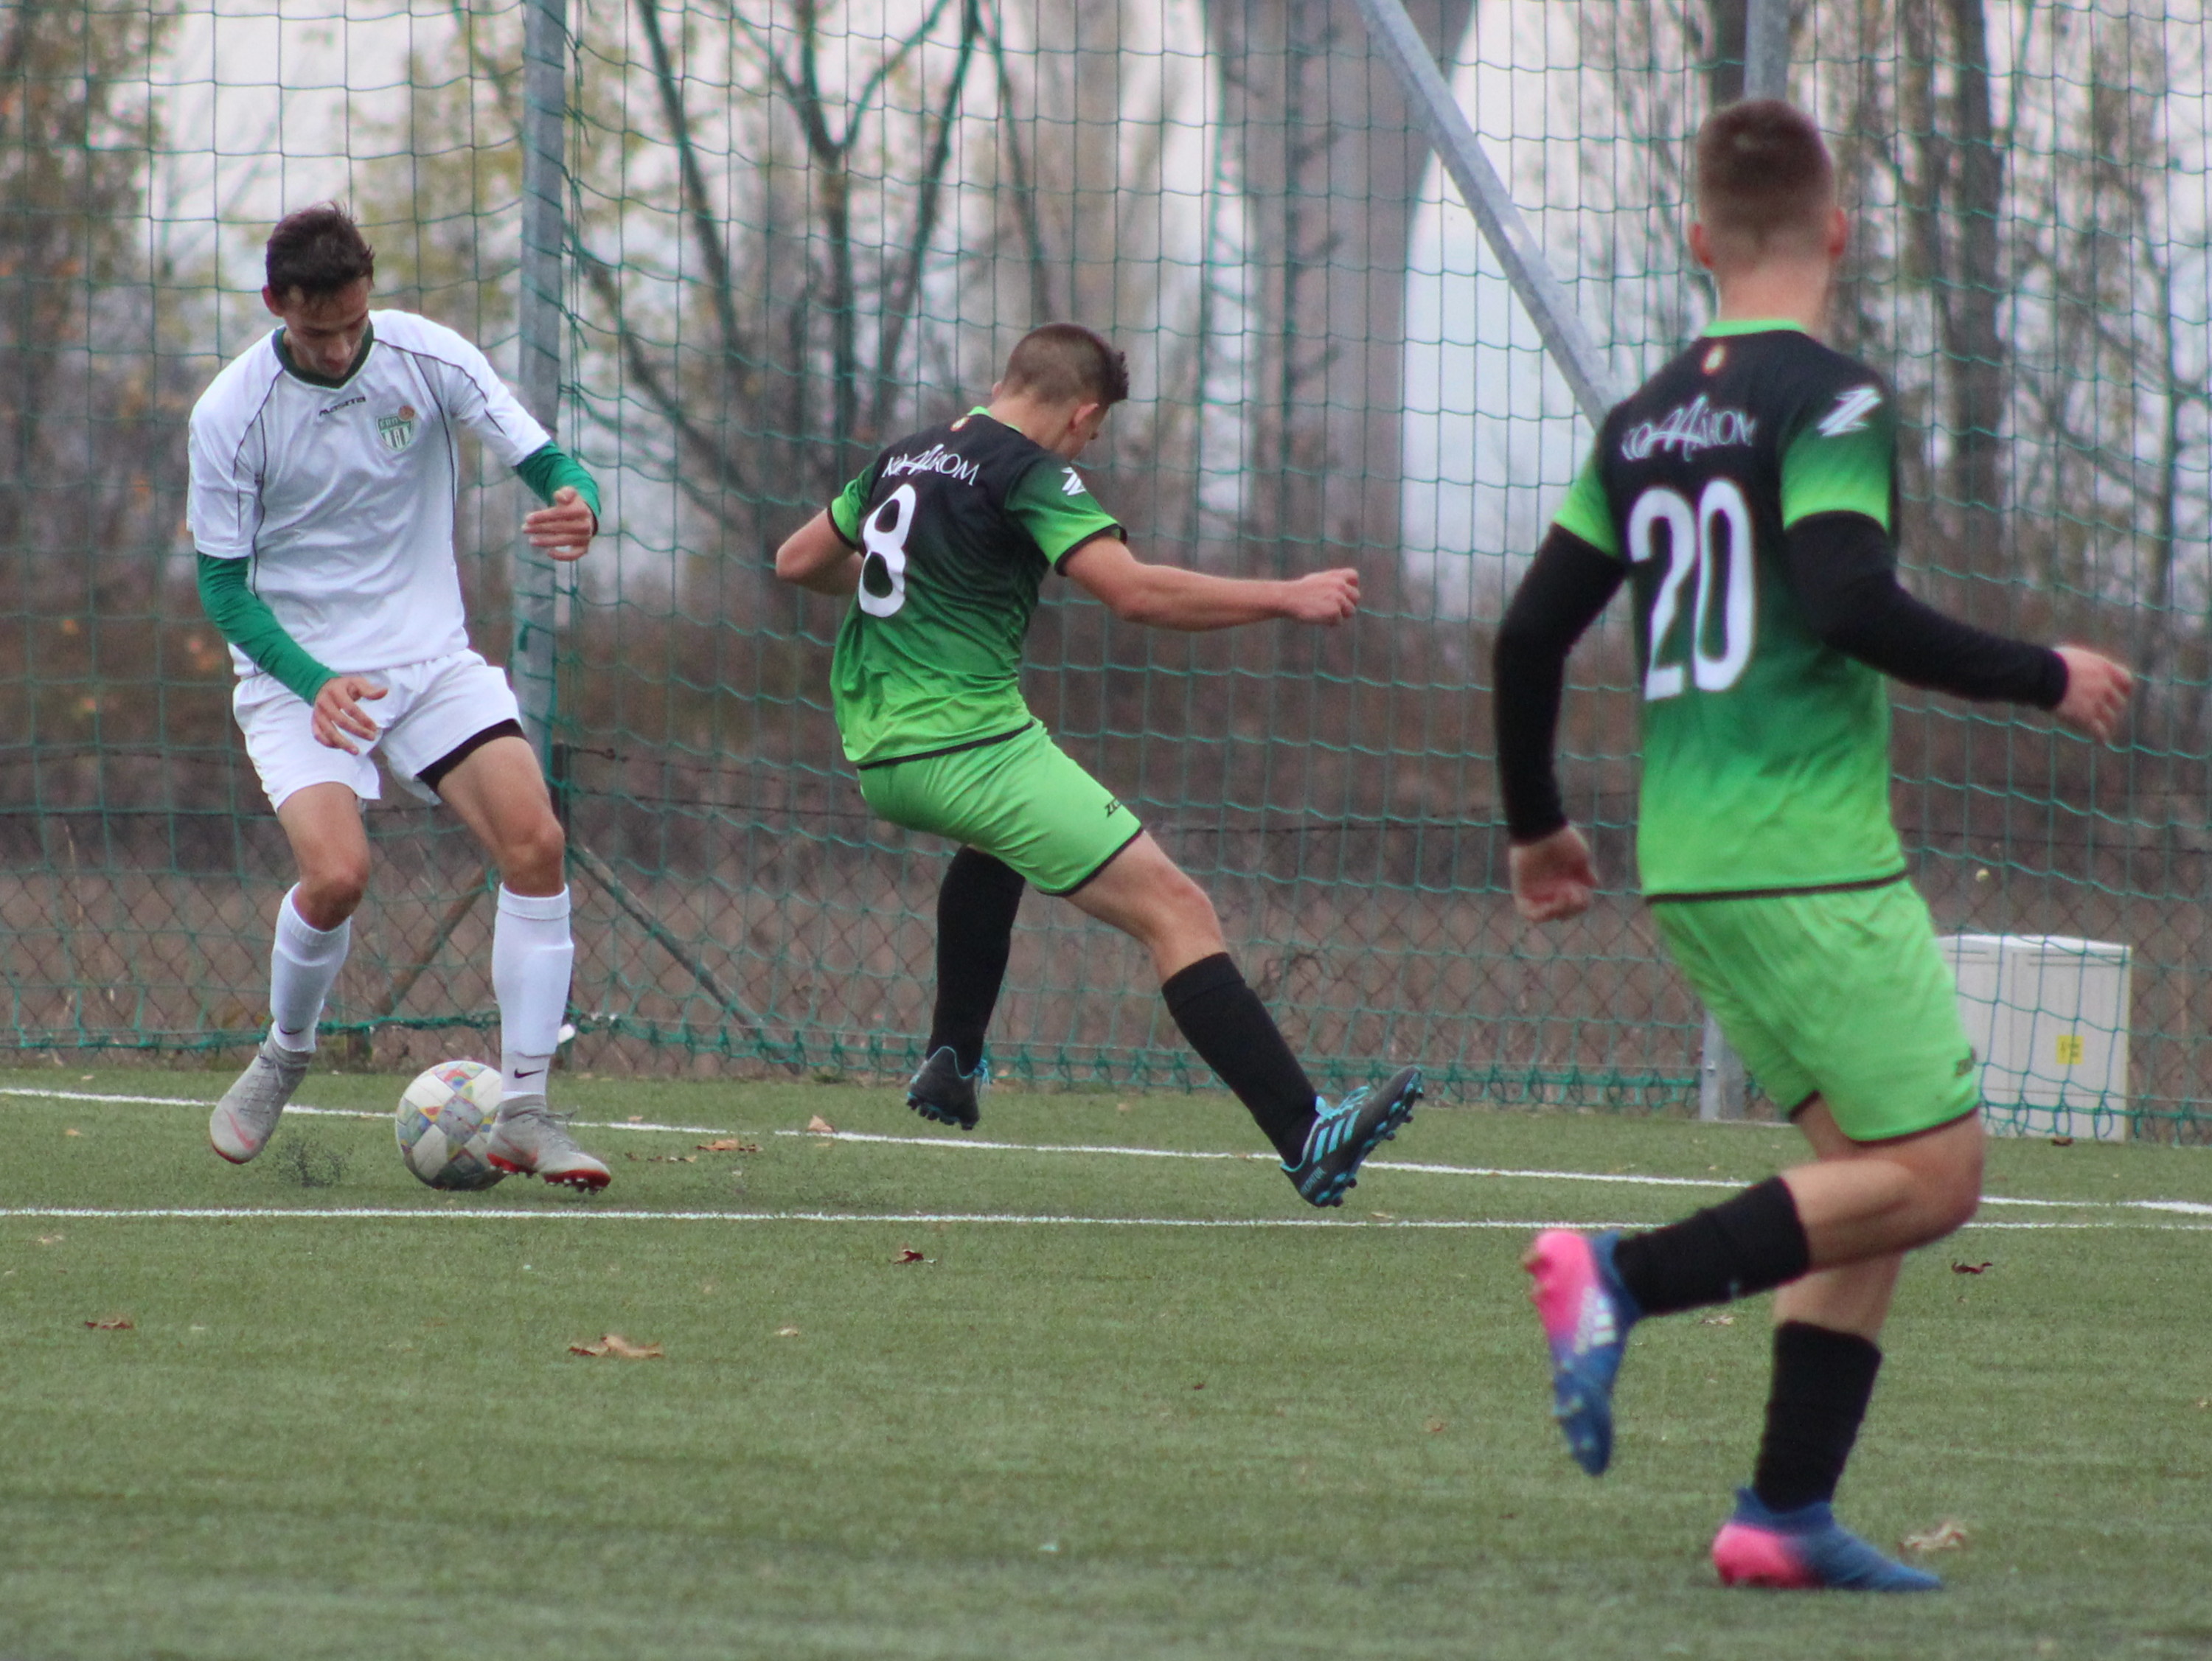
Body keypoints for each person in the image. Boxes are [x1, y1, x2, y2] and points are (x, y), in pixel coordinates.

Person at [1493, 102, 2133, 1589]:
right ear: (1838, 231)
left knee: (1870, 1178)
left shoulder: (1641, 421)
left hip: (1693, 857)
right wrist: (2042, 671)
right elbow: (1847, 599)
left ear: (1698, 241)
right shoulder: (1830, 400)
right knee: (1941, 1173)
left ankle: (1781, 1513)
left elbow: (1528, 635)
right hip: (1811, 855)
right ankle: (1620, 1277)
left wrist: (1537, 826)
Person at [774, 323, 1422, 1205]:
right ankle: (1307, 1133)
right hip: (970, 749)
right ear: (1081, 415)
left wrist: (909, 579)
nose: (1088, 447)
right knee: (1178, 910)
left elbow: (798, 560)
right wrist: (1286, 595)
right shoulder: (1032, 472)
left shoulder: (905, 457)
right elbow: (1134, 592)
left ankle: (953, 1057)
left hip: (882, 752)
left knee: (1000, 842)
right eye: (1096, 431)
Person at [188, 203, 611, 1190]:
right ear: (275, 305)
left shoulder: (429, 356)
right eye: (316, 332)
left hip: (427, 660)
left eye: (351, 324)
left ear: (369, 294)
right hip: (298, 675)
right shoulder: (230, 413)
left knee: (536, 842)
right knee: (339, 877)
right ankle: (286, 1051)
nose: (338, 349)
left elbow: (544, 457)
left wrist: (579, 501)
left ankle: (527, 1111)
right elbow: (222, 588)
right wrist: (312, 680)